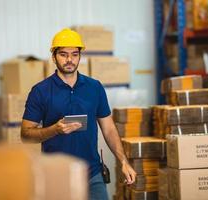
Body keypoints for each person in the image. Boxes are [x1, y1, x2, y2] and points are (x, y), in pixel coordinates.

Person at [20, 28, 136, 200]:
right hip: (56, 175)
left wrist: (124, 162)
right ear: (54, 56)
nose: (69, 60)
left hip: (92, 174)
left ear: (80, 56)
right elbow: (26, 135)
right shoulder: (40, 91)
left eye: (74, 54)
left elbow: (109, 129)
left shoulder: (94, 87)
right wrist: (54, 130)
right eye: (63, 54)